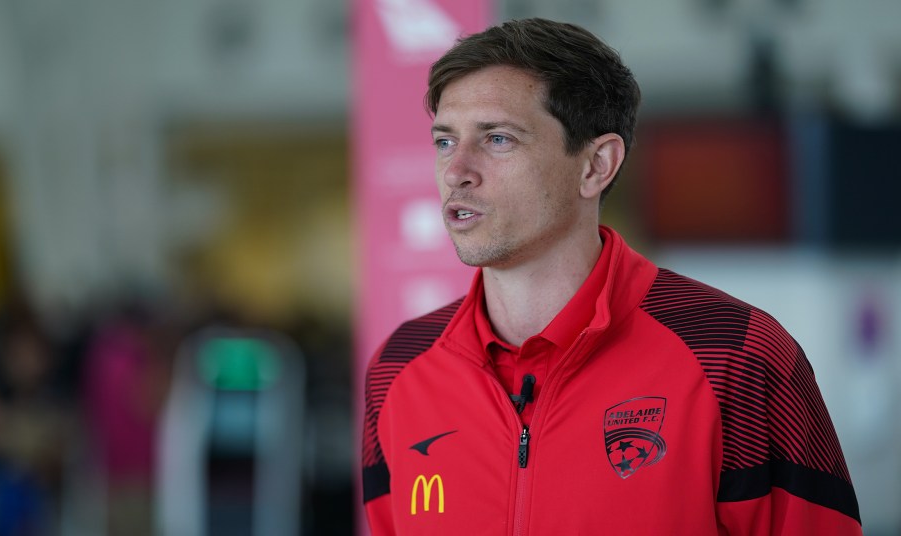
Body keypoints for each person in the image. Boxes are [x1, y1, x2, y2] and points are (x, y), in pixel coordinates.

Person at [361, 17, 861, 536]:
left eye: (498, 139)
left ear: (597, 165)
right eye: (445, 142)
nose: (457, 170)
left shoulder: (735, 355)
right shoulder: (398, 370)